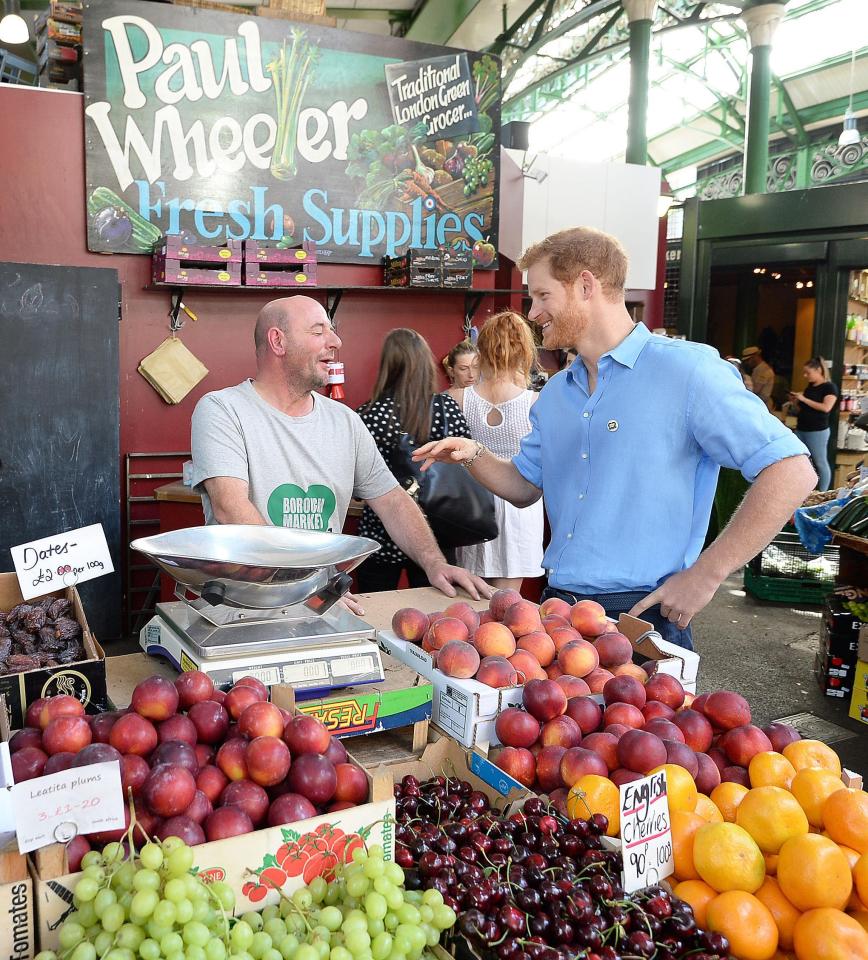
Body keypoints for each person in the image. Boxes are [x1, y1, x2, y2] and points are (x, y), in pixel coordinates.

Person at [413, 227, 817, 649]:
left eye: (543, 295)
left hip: (644, 611)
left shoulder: (689, 371)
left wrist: (707, 574)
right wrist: (472, 453)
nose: (533, 313)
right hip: (558, 610)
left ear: (586, 285)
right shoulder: (555, 394)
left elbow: (792, 471)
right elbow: (522, 488)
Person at [190, 297, 491, 612]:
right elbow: (229, 507)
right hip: (243, 606)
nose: (336, 342)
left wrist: (434, 562)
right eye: (319, 331)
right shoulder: (223, 409)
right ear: (278, 341)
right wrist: (305, 584)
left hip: (319, 603)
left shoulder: (345, 420)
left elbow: (392, 500)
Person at [356, 329, 472, 591]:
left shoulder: (369, 414)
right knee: (438, 615)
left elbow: (358, 479)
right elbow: (467, 459)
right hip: (439, 528)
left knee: (374, 612)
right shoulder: (446, 407)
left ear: (388, 365)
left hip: (381, 531)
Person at [450, 311, 545, 593]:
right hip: (521, 503)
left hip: (472, 505)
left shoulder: (456, 398)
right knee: (508, 607)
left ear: (482, 350)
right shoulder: (536, 402)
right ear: (524, 350)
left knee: (468, 601)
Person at [789, 357, 839, 492]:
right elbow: (804, 408)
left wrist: (804, 398)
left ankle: (823, 492)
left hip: (817, 430)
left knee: (820, 461)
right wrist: (796, 401)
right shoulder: (810, 387)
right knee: (800, 460)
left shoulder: (829, 387)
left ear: (818, 370)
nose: (805, 376)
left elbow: (826, 407)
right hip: (802, 428)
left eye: (808, 372)